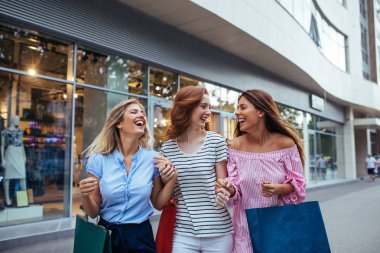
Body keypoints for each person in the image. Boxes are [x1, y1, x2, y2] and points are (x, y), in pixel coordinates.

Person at [79, 99, 177, 253]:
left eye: (142, 113)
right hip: (108, 236)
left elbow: (158, 204)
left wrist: (172, 178)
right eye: (134, 112)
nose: (141, 115)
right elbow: (93, 212)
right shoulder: (98, 160)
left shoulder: (153, 159)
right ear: (119, 123)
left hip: (141, 237)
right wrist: (84, 195)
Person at [215, 89, 306, 253]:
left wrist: (278, 188)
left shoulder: (286, 144)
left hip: (279, 225)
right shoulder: (233, 147)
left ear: (260, 111)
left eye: (243, 107)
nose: (237, 112)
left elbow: (298, 184)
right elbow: (235, 188)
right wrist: (230, 189)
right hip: (245, 228)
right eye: (237, 108)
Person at [157, 86, 234, 253]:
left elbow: (223, 184)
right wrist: (166, 179)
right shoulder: (167, 149)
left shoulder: (216, 142)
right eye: (203, 106)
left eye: (209, 107)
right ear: (187, 107)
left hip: (219, 232)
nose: (208, 112)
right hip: (182, 233)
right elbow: (168, 196)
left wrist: (224, 192)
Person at [1, 115, 27, 206]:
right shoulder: (5, 132)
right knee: (7, 177)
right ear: (12, 121)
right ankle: (7, 198)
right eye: (17, 120)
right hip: (10, 152)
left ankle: (24, 199)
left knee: (22, 176)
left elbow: (22, 143)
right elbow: (2, 146)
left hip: (19, 152)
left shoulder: (20, 131)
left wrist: (24, 155)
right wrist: (2, 159)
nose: (18, 121)